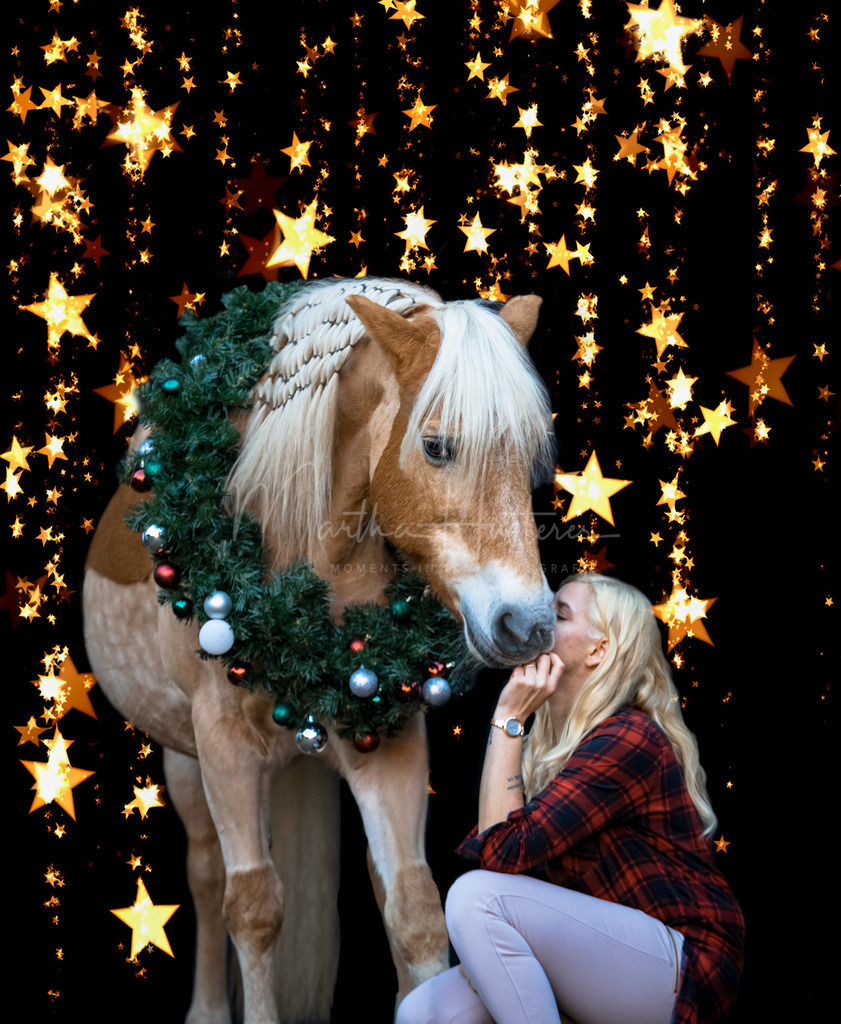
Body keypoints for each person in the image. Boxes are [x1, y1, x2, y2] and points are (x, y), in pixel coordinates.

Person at [397, 572, 744, 1024]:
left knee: (475, 898)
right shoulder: (553, 746)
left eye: (559, 615)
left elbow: (501, 855)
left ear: (599, 650)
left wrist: (507, 717)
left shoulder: (629, 737)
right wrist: (514, 726)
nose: (542, 626)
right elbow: (500, 853)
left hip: (683, 965)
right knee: (423, 1011)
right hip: (601, 955)